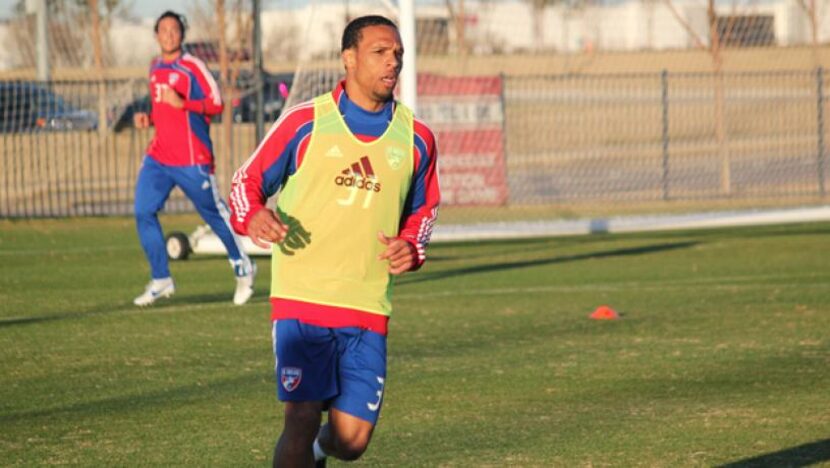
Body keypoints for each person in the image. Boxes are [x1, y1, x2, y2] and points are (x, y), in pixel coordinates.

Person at [228, 15, 440, 467]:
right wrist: (254, 216)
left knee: (352, 440)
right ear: (349, 58)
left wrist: (413, 246)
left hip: (366, 305)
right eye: (381, 52)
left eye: (397, 54)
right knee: (301, 419)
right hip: (302, 301)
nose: (393, 62)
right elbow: (245, 181)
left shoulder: (417, 138)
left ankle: (324, 453)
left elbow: (425, 209)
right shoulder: (306, 122)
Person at [132, 10, 256, 307]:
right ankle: (161, 279)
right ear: (156, 34)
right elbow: (165, 112)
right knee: (142, 211)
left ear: (182, 34)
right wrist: (147, 118)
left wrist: (183, 102)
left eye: (175, 30)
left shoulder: (193, 67)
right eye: (164, 30)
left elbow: (216, 104)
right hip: (159, 157)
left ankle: (244, 267)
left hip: (192, 159)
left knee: (215, 216)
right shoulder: (154, 68)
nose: (169, 35)